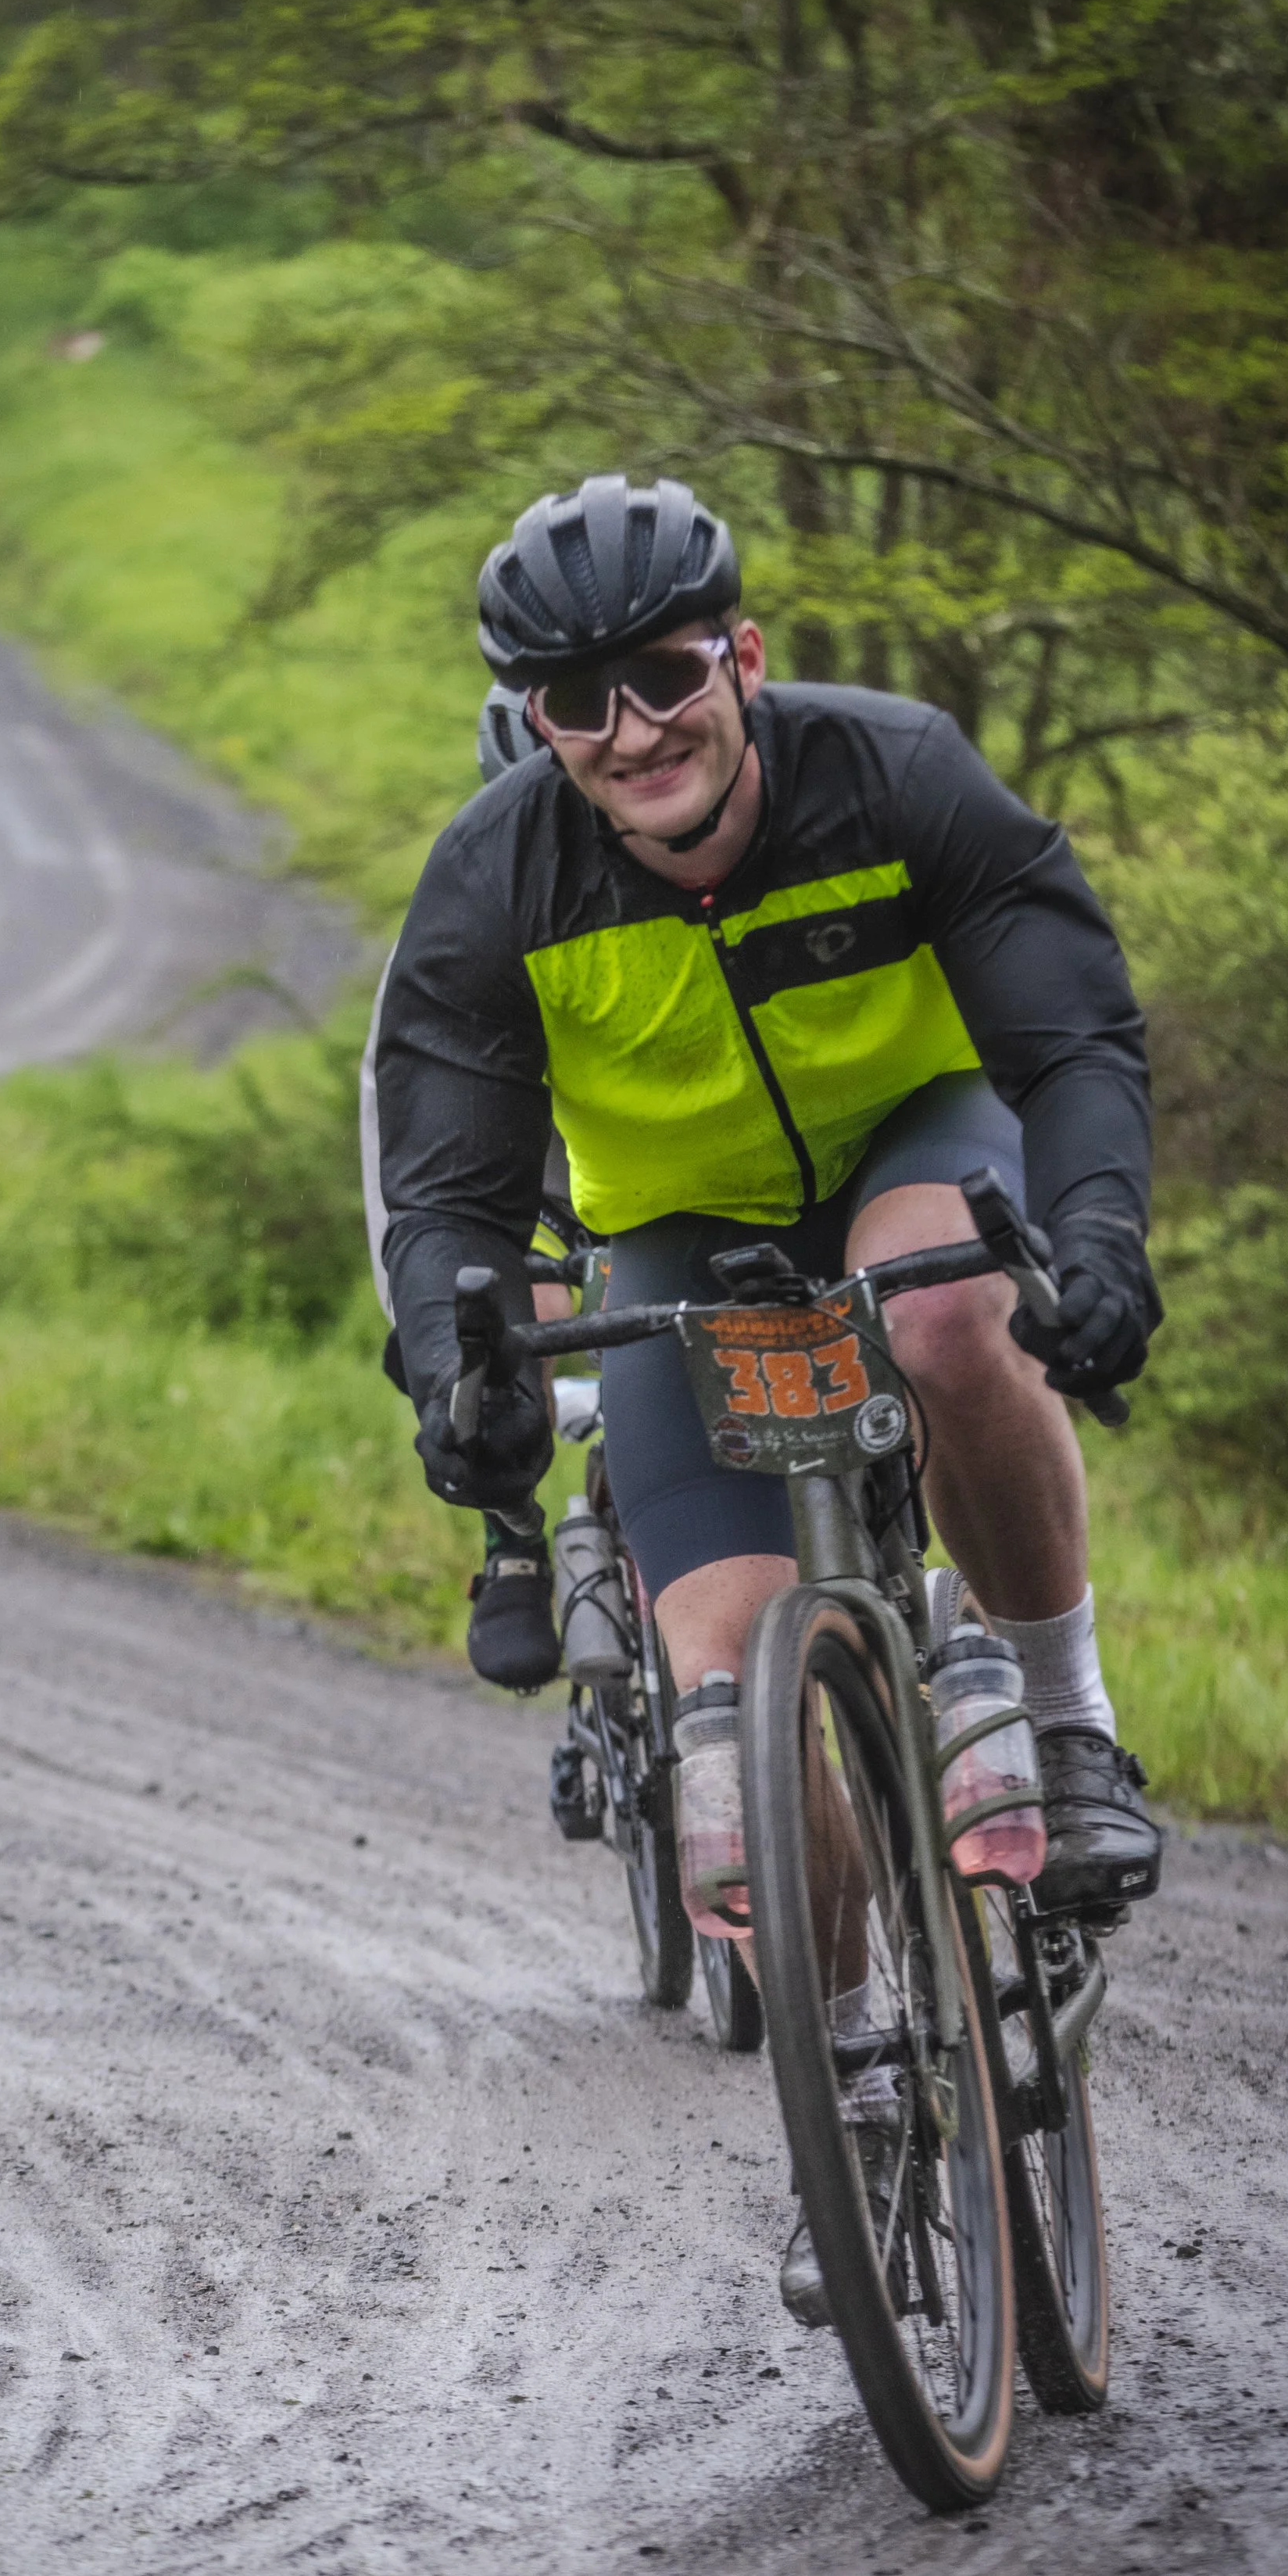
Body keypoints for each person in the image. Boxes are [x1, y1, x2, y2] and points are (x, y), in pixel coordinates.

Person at [371, 475, 1163, 2323]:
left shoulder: (892, 774)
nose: (631, 730)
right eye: (581, 702)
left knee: (957, 1319)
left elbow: (1067, 1032)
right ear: (543, 724)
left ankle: (1061, 1720)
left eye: (661, 676)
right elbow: (452, 1196)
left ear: (739, 653)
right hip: (677, 1236)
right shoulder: (493, 877)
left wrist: (1104, 1241)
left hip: (915, 1141)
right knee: (726, 1693)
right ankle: (859, 2083)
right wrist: (463, 1381)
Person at [360, 690, 579, 1689]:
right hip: (520, 1177)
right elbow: (413, 1199)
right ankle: (515, 1534)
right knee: (499, 1313)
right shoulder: (468, 916)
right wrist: (447, 1356)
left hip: (662, 1169)